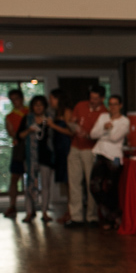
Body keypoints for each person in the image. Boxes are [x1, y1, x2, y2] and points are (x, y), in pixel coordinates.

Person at [66, 86, 107, 227]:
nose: (92, 101)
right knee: (74, 183)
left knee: (91, 183)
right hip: (75, 146)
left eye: (96, 98)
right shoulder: (81, 105)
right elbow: (72, 121)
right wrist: (73, 123)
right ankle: (76, 217)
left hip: (91, 149)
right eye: (91, 98)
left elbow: (101, 133)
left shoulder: (104, 113)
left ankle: (92, 217)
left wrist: (88, 134)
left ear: (102, 99)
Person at [89, 95, 130, 230]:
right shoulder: (103, 117)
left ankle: (112, 219)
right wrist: (105, 129)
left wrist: (106, 131)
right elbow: (92, 134)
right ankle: (113, 215)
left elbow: (115, 137)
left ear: (120, 105)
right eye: (110, 104)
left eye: (115, 104)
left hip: (114, 157)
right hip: (100, 154)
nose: (112, 107)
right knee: (95, 186)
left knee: (112, 189)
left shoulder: (125, 121)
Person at [17, 96, 55, 223]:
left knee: (45, 185)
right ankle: (29, 212)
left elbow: (54, 138)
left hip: (46, 157)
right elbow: (19, 136)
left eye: (41, 105)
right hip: (30, 157)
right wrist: (29, 130)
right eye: (35, 105)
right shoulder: (27, 119)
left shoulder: (49, 120)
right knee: (29, 184)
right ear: (32, 107)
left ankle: (44, 212)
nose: (38, 107)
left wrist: (51, 125)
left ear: (44, 106)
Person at [47, 90, 73, 224]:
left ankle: (71, 212)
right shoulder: (56, 113)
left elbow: (70, 131)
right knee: (65, 181)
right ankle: (69, 211)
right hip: (59, 149)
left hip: (66, 148)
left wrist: (53, 126)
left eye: (52, 98)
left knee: (70, 181)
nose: (50, 101)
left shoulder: (67, 112)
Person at [4, 88, 29, 219]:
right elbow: (12, 134)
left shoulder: (29, 112)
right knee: (14, 178)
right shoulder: (9, 116)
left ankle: (30, 208)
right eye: (12, 100)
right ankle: (12, 205)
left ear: (22, 99)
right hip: (18, 148)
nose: (15, 102)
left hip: (31, 148)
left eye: (17, 99)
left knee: (31, 179)